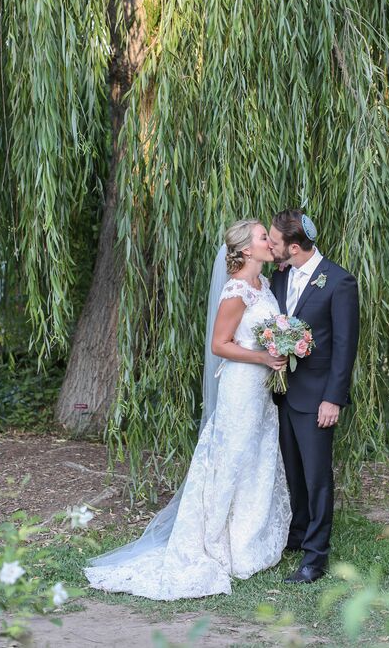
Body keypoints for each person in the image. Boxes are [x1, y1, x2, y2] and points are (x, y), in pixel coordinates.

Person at [84, 219, 291, 599]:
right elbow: (219, 344)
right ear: (246, 249)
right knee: (231, 458)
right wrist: (262, 357)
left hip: (260, 391)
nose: (270, 241)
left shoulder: (264, 284)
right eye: (264, 237)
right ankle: (213, 542)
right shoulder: (237, 291)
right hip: (241, 387)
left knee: (257, 458)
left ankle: (248, 543)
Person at [268, 209, 359, 584]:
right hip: (285, 395)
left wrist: (333, 399)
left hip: (318, 397)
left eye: (273, 242)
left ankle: (315, 557)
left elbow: (344, 346)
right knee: (294, 471)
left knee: (318, 477)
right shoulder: (280, 276)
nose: (269, 246)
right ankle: (299, 533)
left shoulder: (338, 282)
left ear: (293, 246)